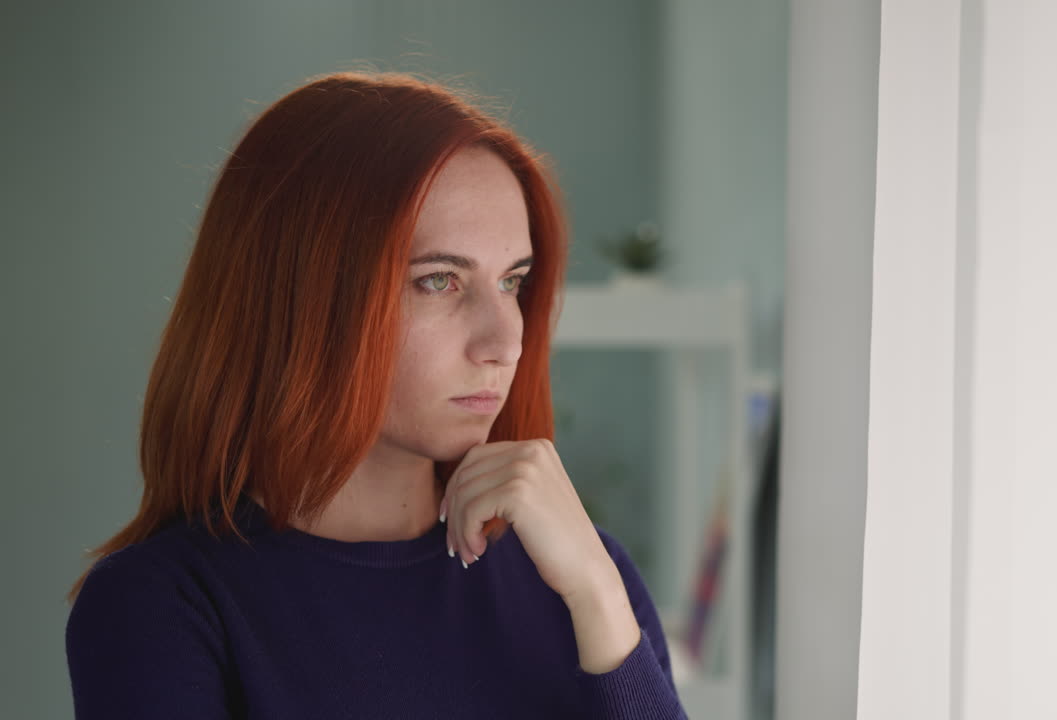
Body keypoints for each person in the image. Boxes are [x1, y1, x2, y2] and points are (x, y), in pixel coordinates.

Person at [64, 71, 687, 719]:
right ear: (303, 298)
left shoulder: (588, 578)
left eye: (512, 283)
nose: (504, 341)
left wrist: (598, 597)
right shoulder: (163, 606)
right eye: (439, 281)